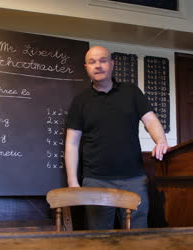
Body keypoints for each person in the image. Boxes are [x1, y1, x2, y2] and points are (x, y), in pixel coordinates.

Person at [65, 46, 168, 229]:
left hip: (134, 179)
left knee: (137, 236)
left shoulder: (131, 91)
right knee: (100, 237)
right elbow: (72, 143)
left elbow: (150, 120)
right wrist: (73, 181)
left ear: (112, 64)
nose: (98, 65)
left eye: (103, 60)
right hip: (95, 180)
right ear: (86, 67)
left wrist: (160, 140)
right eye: (92, 62)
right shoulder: (80, 101)